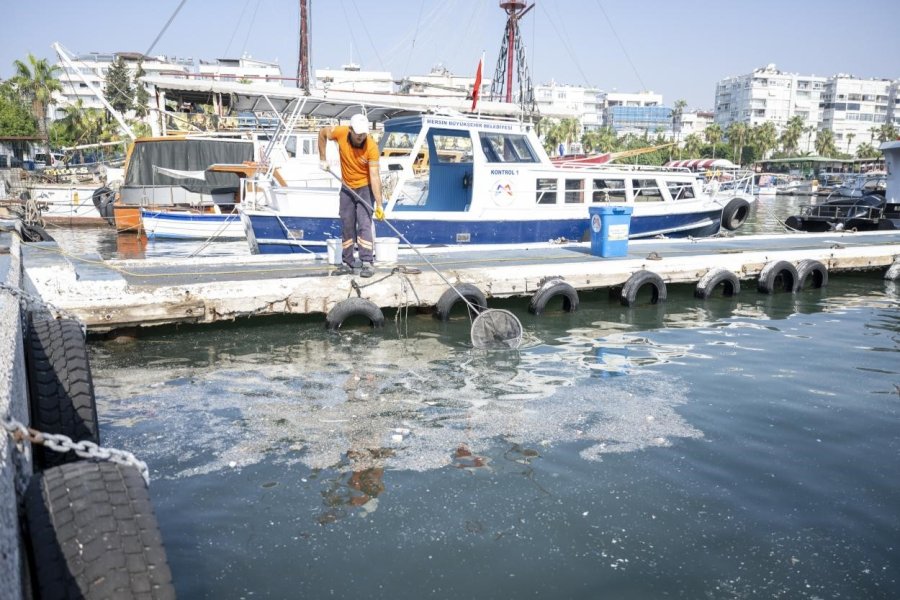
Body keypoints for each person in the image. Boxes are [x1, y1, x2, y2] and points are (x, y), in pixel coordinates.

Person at [318, 113, 384, 277]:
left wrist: (380, 204)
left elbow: (375, 176)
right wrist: (322, 158)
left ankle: (367, 262)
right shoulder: (340, 132)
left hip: (364, 188)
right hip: (347, 187)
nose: (361, 137)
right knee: (347, 224)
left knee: (364, 224)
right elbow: (321, 133)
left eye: (363, 134)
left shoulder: (371, 147)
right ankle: (348, 262)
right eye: (358, 134)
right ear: (351, 130)